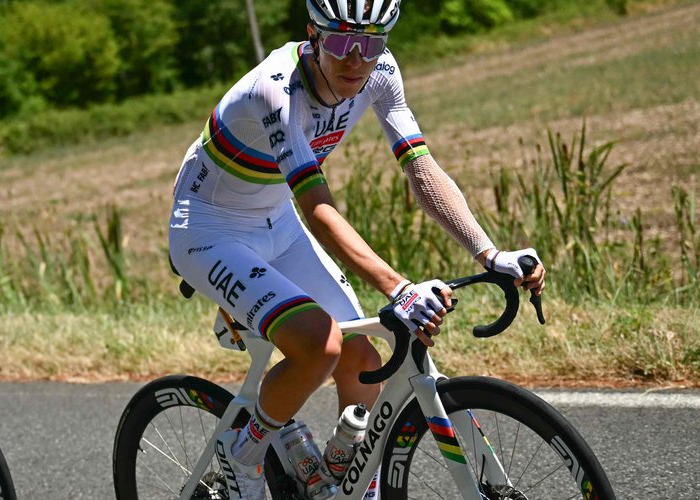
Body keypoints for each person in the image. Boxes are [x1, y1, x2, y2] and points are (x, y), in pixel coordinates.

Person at [166, 1, 546, 498]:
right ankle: (241, 455)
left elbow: (421, 170)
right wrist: (398, 287)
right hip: (208, 229)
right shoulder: (277, 91)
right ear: (313, 35)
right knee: (319, 344)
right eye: (343, 42)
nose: (356, 60)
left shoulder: (381, 72)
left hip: (276, 220)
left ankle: (343, 474)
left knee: (361, 355)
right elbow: (319, 208)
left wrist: (489, 254)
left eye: (371, 44)